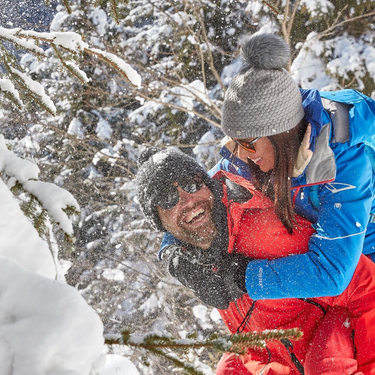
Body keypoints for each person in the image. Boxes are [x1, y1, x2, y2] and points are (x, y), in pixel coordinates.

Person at [136, 147, 375, 375]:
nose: (187, 200)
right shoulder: (196, 260)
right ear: (158, 221)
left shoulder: (265, 232)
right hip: (285, 355)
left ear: (207, 185)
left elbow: (367, 285)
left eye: (192, 184)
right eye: (168, 198)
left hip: (338, 341)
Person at [213, 32, 375, 302]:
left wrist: (243, 278)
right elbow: (200, 191)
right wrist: (175, 253)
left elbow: (331, 273)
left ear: (280, 134)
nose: (239, 154)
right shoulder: (255, 152)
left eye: (247, 143)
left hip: (364, 259)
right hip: (330, 260)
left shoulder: (344, 160)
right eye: (235, 141)